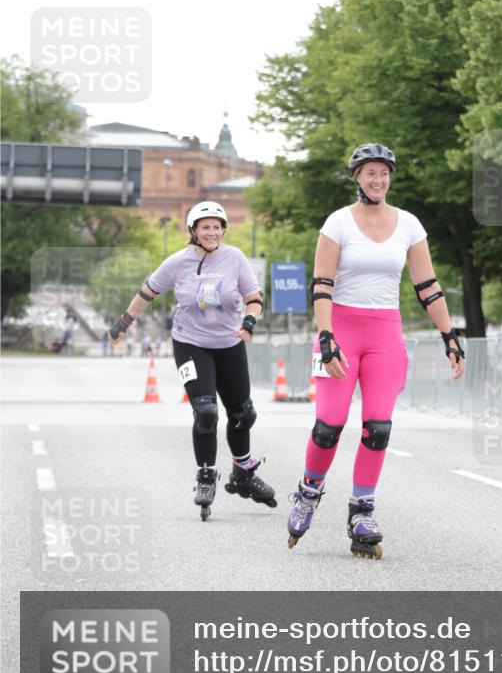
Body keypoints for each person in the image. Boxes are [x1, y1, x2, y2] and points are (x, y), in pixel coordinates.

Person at [287, 143, 465, 558]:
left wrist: (449, 335)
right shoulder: (337, 223)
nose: (378, 179)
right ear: (356, 178)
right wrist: (327, 336)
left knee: (378, 428)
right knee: (329, 425)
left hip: (385, 331)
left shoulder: (408, 225)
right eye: (370, 172)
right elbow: (322, 286)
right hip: (342, 330)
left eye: (383, 173)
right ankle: (309, 491)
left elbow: (428, 286)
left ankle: (361, 510)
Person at [107, 201, 276, 520]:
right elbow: (147, 292)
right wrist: (124, 323)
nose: (211, 232)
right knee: (206, 411)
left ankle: (244, 472)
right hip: (190, 343)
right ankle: (206, 476)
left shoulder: (236, 258)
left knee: (243, 414)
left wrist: (250, 322)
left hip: (229, 342)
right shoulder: (177, 262)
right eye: (205, 227)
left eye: (216, 226)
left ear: (223, 229)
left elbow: (254, 299)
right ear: (193, 231)